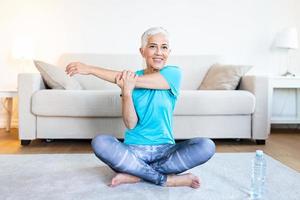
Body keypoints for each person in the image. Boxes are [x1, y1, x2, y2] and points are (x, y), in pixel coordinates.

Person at [65, 27, 215, 189]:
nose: (159, 52)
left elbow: (122, 78)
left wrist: (90, 69)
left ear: (169, 52)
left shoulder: (173, 74)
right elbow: (131, 124)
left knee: (206, 146)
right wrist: (127, 92)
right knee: (100, 142)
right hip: (133, 151)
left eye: (164, 47)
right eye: (152, 46)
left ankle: (135, 173)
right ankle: (166, 179)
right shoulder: (130, 80)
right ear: (142, 51)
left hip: (166, 151)